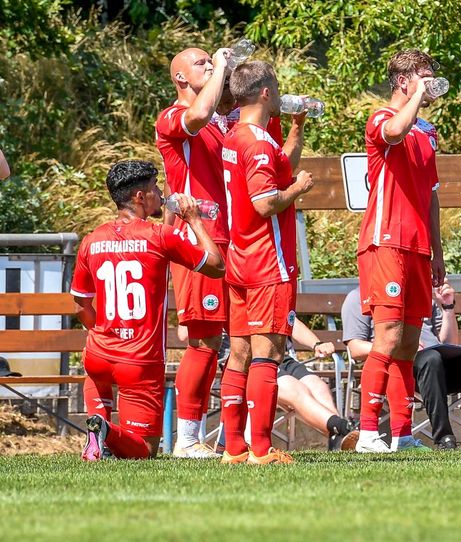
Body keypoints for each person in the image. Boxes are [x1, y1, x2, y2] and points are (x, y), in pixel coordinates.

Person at [71, 160, 224, 460]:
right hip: (139, 361)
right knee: (144, 450)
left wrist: (101, 334)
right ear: (140, 197)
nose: (161, 194)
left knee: (96, 370)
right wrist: (194, 220)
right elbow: (216, 266)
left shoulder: (92, 240)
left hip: (98, 355)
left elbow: (80, 306)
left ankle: (98, 430)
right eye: (155, 187)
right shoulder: (160, 236)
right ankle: (105, 430)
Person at [220, 60, 313, 465]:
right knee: (267, 354)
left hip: (240, 259)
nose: (279, 92)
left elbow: (279, 166)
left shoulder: (237, 136)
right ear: (264, 92)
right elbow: (265, 202)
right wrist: (299, 188)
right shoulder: (257, 143)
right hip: (267, 261)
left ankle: (233, 448)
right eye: (275, 86)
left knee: (239, 353)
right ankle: (260, 449)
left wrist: (297, 128)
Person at [353, 49, 445, 453]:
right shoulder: (381, 117)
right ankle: (367, 433)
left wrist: (437, 251)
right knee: (387, 338)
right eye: (423, 76)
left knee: (409, 343)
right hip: (385, 240)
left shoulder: (427, 130)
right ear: (403, 81)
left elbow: (432, 195)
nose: (430, 84)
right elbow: (393, 131)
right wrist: (417, 96)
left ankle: (402, 434)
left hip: (418, 247)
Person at [155, 45, 233, 458]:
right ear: (181, 77)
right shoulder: (172, 116)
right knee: (203, 342)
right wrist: (221, 65)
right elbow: (198, 114)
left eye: (210, 60)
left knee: (221, 342)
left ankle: (220, 437)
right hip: (198, 239)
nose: (210, 65)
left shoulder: (217, 124)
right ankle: (185, 439)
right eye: (201, 62)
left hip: (227, 237)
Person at [343, 283, 461, 450]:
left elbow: (450, 342)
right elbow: (355, 348)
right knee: (431, 359)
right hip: (403, 371)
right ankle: (445, 439)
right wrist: (404, 347)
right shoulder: (359, 297)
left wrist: (447, 307)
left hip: (438, 367)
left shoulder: (418, 293)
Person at [275, 317, 358, 451]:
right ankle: (344, 428)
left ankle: (337, 438)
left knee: (319, 387)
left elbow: (291, 321)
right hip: (257, 362)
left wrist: (317, 344)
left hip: (283, 359)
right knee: (296, 389)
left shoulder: (278, 303)